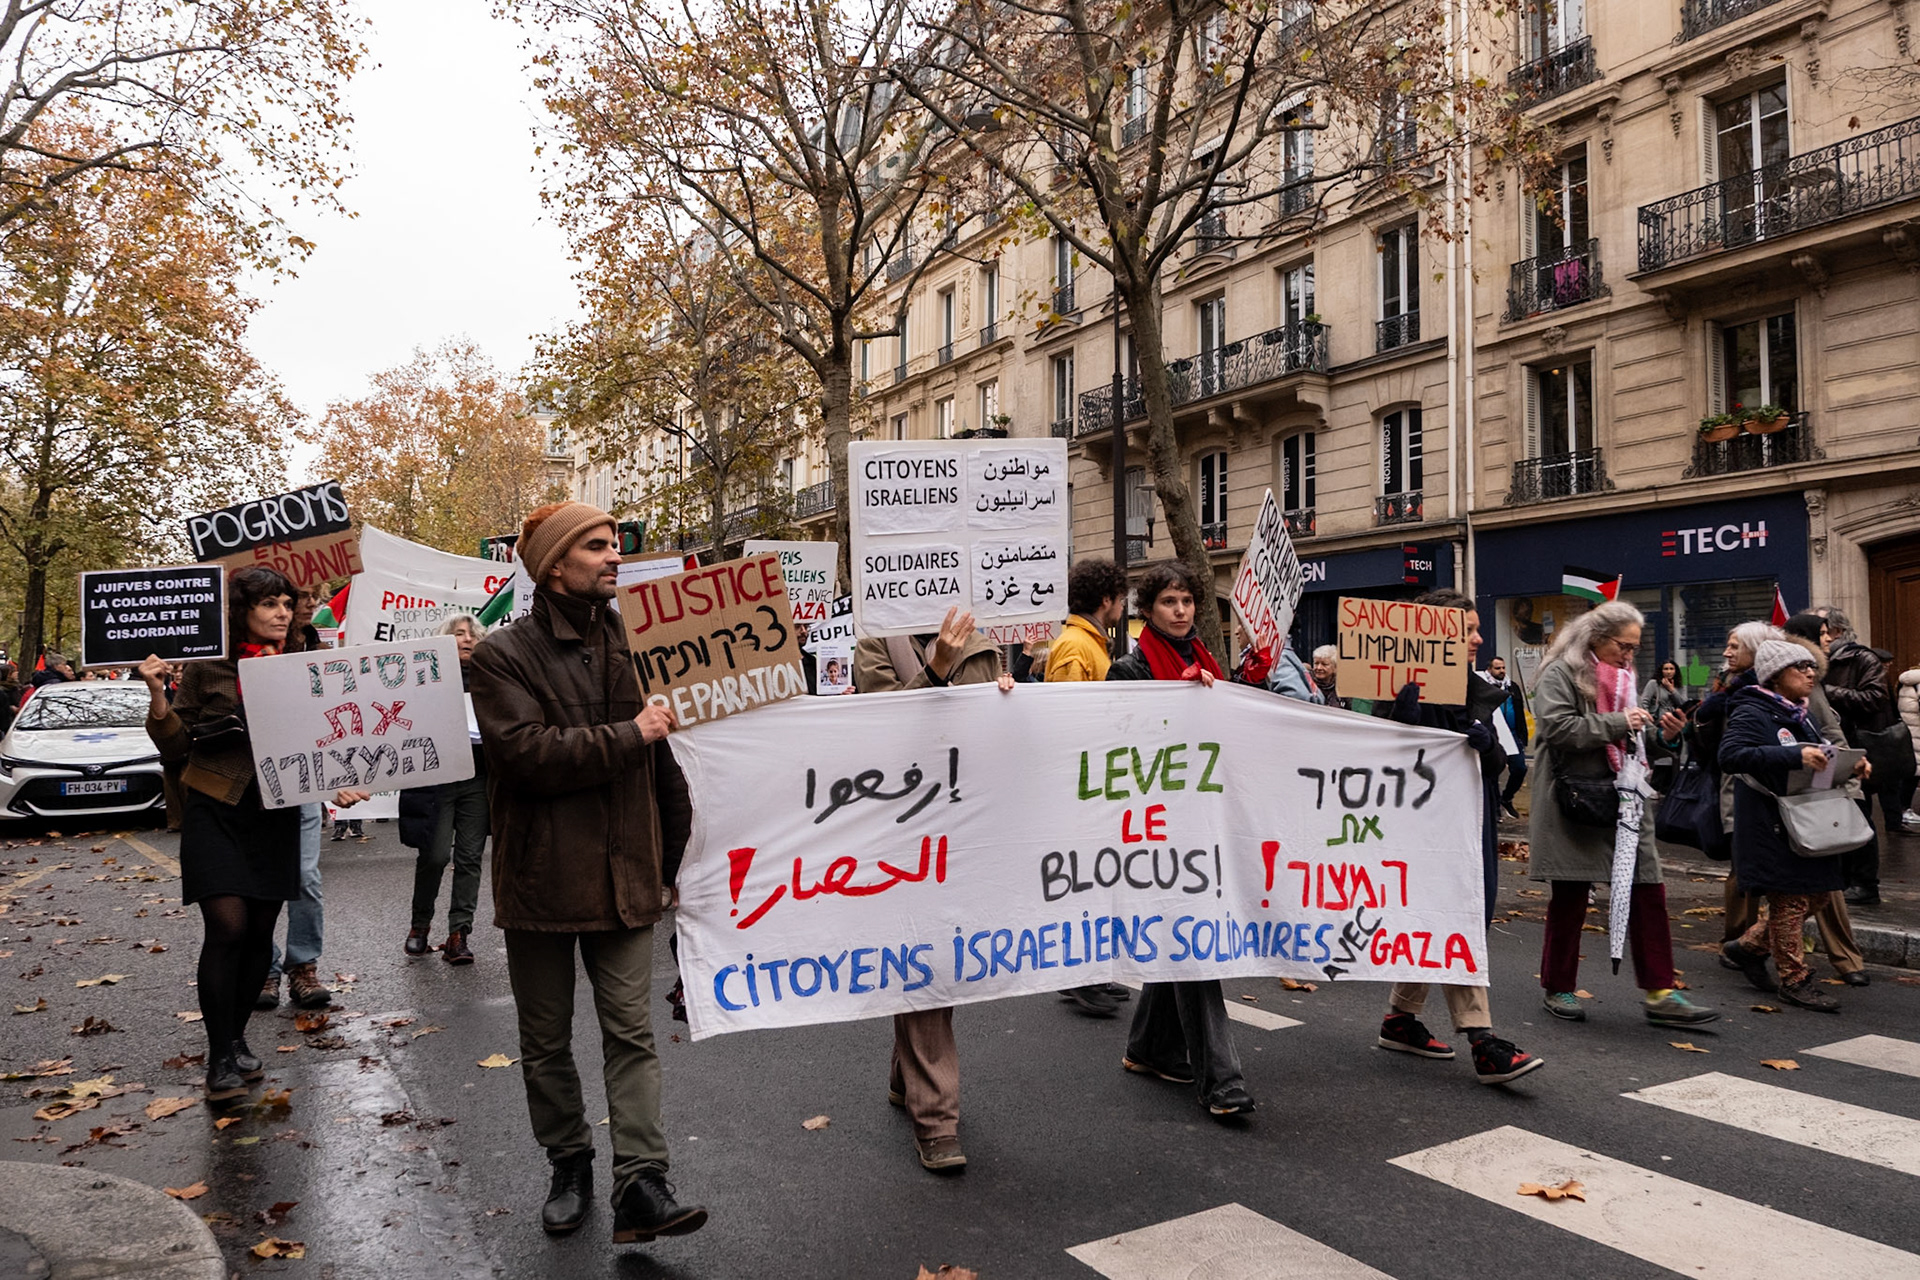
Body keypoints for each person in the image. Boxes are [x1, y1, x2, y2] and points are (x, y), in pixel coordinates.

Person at [467, 502, 708, 1244]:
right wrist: (627, 734)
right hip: (542, 879)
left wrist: (674, 862)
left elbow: (672, 764)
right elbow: (525, 755)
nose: (614, 557)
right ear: (553, 563)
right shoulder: (502, 655)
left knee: (630, 1034)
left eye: (615, 545)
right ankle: (569, 1162)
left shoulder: (645, 642)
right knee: (544, 1041)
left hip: (630, 872)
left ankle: (643, 1182)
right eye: (597, 546)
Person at [136, 567, 367, 1100]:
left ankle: (236, 1038)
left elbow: (328, 734)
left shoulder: (306, 665)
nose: (282, 612)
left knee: (259, 936)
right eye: (269, 604)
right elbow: (174, 747)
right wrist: (157, 696)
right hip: (217, 808)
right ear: (242, 611)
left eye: (287, 602)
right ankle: (219, 1056)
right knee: (227, 928)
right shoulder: (208, 667)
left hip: (277, 814)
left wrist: (339, 781)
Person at [855, 607, 1016, 1172]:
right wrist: (936, 667)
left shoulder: (983, 633)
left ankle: (908, 1070)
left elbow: (988, 728)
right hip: (910, 825)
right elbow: (885, 730)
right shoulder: (878, 640)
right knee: (926, 961)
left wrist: (1007, 696)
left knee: (953, 954)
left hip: (970, 820)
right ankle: (936, 1119)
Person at [1372, 592, 1543, 1085]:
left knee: (1445, 916)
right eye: (1465, 629)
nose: (1477, 638)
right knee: (1456, 917)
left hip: (1471, 820)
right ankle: (1483, 1040)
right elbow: (1378, 764)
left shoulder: (1475, 691)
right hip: (1425, 828)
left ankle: (1401, 1019)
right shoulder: (1402, 691)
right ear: (1433, 636)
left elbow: (1492, 768)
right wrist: (1400, 723)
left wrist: (1487, 749)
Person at [1106, 562, 1256, 1118]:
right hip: (1153, 831)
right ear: (1149, 608)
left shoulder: (1206, 663)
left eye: (1189, 601)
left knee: (1184, 936)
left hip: (1202, 824)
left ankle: (1150, 1047)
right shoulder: (1131, 668)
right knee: (1197, 940)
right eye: (1170, 601)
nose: (1182, 610)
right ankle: (1222, 1079)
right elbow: (1119, 744)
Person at [1529, 600, 1716, 1028]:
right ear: (1596, 638)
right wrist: (1619, 722)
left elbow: (1634, 732)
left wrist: (1663, 735)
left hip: (1627, 795)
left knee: (1648, 888)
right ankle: (1559, 986)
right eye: (1624, 646)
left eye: (1634, 648)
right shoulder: (1561, 672)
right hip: (1576, 798)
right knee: (1571, 894)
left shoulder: (1625, 677)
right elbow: (1556, 728)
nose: (1630, 656)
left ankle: (1661, 991)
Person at [1713, 614, 1870, 990]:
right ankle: (1794, 980)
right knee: (1789, 902)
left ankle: (1748, 946)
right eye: (1801, 667)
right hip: (1770, 821)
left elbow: (1823, 751)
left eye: (1812, 667)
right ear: (1776, 674)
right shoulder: (1753, 708)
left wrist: (1850, 766)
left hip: (1802, 816)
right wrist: (1795, 756)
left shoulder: (1799, 712)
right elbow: (1731, 755)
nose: (1811, 673)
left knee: (1816, 894)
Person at [1044, 558, 1133, 1018]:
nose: (1123, 606)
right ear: (1106, 600)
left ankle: (1088, 971)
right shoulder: (1079, 648)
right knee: (1085, 881)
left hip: (1091, 780)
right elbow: (1069, 722)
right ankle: (1081, 975)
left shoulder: (1086, 643)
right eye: (1121, 599)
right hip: (1083, 784)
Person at [402, 613, 490, 966]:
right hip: (437, 780)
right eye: (459, 634)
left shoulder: (491, 678)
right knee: (435, 854)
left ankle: (459, 935)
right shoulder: (424, 679)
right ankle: (419, 925)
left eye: (473, 634)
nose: (467, 639)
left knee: (470, 858)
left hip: (478, 777)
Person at [262, 586, 330, 1011]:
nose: (299, 607)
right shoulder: (229, 657)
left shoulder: (317, 649)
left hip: (301, 780)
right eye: (285, 601)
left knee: (304, 876)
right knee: (259, 882)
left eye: (300, 601)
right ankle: (263, 970)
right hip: (250, 785)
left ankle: (302, 966)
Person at [1821, 608, 1898, 906]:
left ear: (1837, 631)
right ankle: (1843, 879)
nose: (1823, 636)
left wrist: (1828, 691)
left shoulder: (1861, 658)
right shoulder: (1820, 660)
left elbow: (1875, 697)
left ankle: (1866, 884)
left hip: (1855, 747)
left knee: (1858, 813)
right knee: (1836, 813)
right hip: (1830, 749)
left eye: (1825, 630)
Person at [1485, 656, 1529, 819]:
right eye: (1498, 668)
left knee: (1520, 768)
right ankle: (1495, 807)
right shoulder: (1484, 686)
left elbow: (1519, 711)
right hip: (1494, 735)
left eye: (1503, 667)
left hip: (1512, 734)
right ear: (1489, 669)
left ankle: (1507, 798)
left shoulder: (1512, 687)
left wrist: (1522, 734)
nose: (1502, 671)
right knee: (1493, 772)